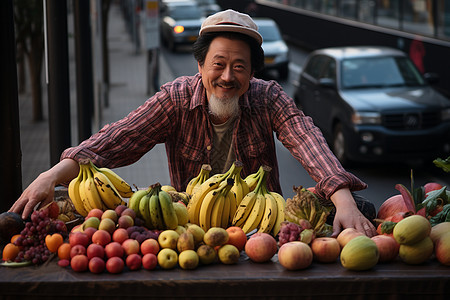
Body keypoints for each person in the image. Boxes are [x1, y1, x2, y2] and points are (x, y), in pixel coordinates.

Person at [10, 9, 377, 237]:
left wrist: (341, 196)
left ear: (252, 73)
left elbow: (306, 138)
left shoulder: (268, 97)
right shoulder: (176, 99)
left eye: (240, 66)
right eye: (218, 64)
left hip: (262, 230)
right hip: (191, 232)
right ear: (200, 66)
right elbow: (117, 139)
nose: (227, 76)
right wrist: (50, 176)